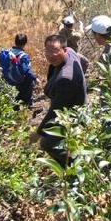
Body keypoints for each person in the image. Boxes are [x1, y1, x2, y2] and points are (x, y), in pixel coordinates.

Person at [29, 34, 87, 167]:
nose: (50, 55)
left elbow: (56, 110)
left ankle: (75, 166)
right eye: (47, 50)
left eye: (55, 50)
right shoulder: (71, 52)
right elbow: (83, 62)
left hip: (72, 112)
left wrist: (38, 133)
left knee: (47, 143)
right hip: (70, 101)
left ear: (64, 49)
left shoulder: (65, 78)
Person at [5, 34, 37, 107]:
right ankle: (26, 103)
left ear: (15, 41)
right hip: (19, 81)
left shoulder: (8, 52)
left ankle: (14, 102)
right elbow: (26, 70)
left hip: (8, 79)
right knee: (30, 81)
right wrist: (35, 78)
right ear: (25, 43)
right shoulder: (23, 56)